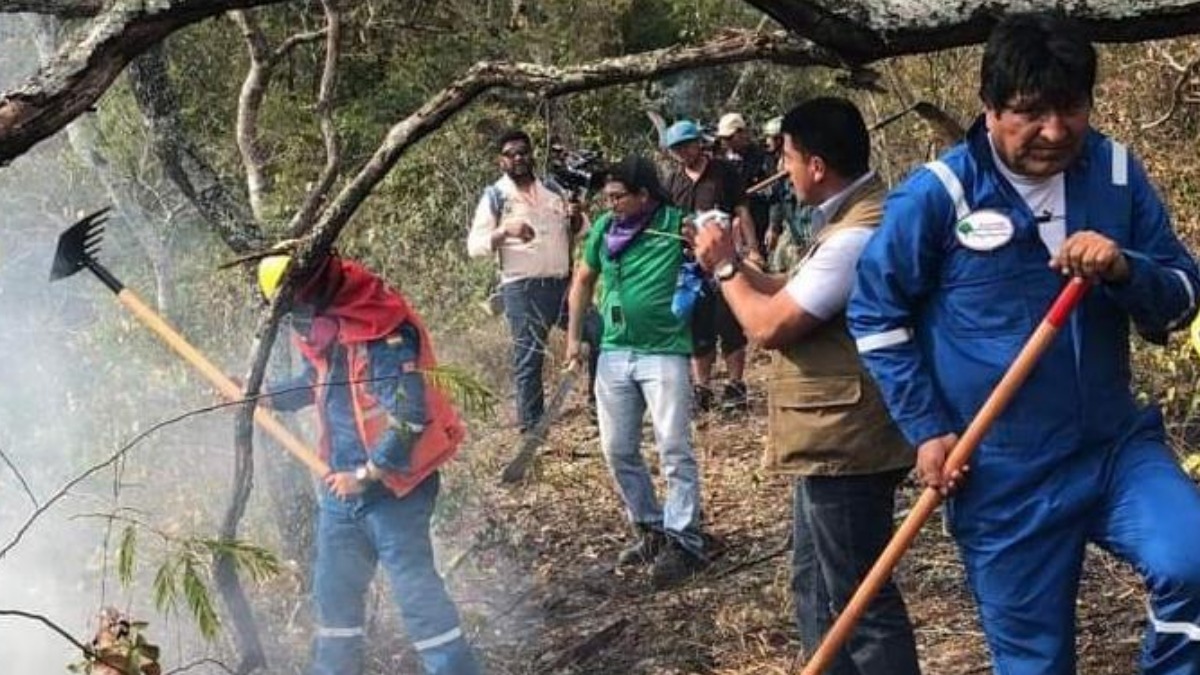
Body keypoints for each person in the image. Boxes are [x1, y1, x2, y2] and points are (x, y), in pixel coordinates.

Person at [848, 12, 1200, 674]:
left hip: (1114, 448)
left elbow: (1181, 294)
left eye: (1071, 108)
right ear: (988, 108)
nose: (1055, 130)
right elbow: (876, 315)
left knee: (1194, 559)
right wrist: (926, 429)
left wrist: (1126, 268)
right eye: (1029, 111)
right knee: (1034, 662)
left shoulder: (1117, 175)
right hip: (1003, 473)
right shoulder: (938, 196)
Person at [693, 97, 920, 675]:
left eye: (788, 157)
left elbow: (770, 325)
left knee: (859, 601)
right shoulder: (849, 220)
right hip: (830, 439)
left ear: (817, 165)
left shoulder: (857, 234)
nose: (783, 170)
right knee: (815, 582)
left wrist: (723, 270)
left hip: (846, 440)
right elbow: (791, 287)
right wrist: (735, 262)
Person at [256, 252, 481, 675]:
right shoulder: (325, 329)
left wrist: (366, 475)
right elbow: (313, 382)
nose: (295, 319)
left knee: (418, 598)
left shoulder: (382, 329)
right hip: (339, 488)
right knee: (335, 600)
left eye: (294, 307)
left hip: (393, 488)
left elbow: (411, 416)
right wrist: (263, 396)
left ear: (311, 292)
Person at [565, 154, 708, 588]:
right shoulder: (606, 231)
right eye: (606, 196)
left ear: (643, 194)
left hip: (664, 351)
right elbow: (584, 279)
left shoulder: (675, 223)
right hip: (614, 351)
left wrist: (703, 248)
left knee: (673, 447)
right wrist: (574, 336)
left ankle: (684, 540)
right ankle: (649, 525)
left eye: (618, 197)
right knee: (617, 448)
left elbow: (711, 256)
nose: (610, 205)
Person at [467, 128, 584, 433]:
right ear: (500, 161)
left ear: (532, 154)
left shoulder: (553, 189)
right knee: (529, 357)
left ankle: (601, 405)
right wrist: (505, 231)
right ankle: (532, 427)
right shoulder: (496, 196)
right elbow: (474, 246)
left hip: (562, 285)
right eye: (511, 154)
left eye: (523, 152)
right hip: (521, 287)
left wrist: (576, 217)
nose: (519, 158)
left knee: (597, 335)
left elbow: (582, 229)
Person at [663, 119, 759, 412]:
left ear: (698, 144)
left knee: (728, 321)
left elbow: (741, 210)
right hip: (691, 266)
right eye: (676, 149)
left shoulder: (723, 173)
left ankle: (735, 385)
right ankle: (701, 386)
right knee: (698, 326)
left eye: (686, 146)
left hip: (726, 258)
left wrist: (753, 249)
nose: (683, 153)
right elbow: (668, 223)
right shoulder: (672, 183)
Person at [717, 112, 773, 258]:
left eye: (729, 138)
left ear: (742, 133)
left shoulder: (762, 158)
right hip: (731, 229)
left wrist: (774, 227)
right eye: (723, 139)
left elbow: (775, 196)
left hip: (760, 222)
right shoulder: (720, 162)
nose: (726, 143)